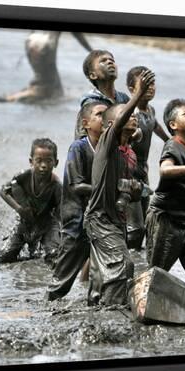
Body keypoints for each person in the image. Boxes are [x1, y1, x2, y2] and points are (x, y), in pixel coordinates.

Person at [84, 69, 155, 306]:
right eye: (128, 114)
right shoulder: (107, 143)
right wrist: (138, 94)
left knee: (103, 268)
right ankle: (112, 309)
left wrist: (137, 189)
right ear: (113, 124)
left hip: (117, 217)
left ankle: (96, 304)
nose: (133, 116)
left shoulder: (129, 153)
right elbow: (118, 123)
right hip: (101, 217)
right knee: (125, 263)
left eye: (134, 114)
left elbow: (125, 187)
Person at [46, 102, 108, 300]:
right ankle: (50, 301)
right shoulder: (78, 147)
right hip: (77, 218)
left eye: (107, 114)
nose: (104, 118)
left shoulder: (108, 147)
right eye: (99, 114)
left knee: (103, 268)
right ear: (86, 123)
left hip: (99, 216)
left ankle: (94, 300)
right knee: (65, 272)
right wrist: (106, 190)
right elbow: (76, 185)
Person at [145, 98, 185, 290]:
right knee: (156, 273)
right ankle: (143, 307)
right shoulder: (172, 145)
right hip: (166, 219)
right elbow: (165, 170)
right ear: (173, 125)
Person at [125, 66, 169, 249]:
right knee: (135, 228)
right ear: (131, 89)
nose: (151, 87)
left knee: (144, 222)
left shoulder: (150, 110)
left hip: (143, 171)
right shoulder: (130, 113)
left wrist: (171, 141)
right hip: (128, 173)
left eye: (152, 83)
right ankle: (121, 253)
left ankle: (137, 258)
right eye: (145, 84)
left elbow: (156, 126)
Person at [0, 138, 62, 264]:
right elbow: (3, 191)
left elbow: (60, 213)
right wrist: (19, 208)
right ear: (31, 162)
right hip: (24, 220)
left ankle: (43, 250)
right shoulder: (23, 177)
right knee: (4, 257)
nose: (43, 165)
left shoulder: (57, 186)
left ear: (56, 162)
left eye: (48, 161)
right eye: (39, 161)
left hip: (47, 224)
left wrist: (59, 235)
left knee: (54, 256)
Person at [0, 31, 92, 103]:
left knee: (43, 77)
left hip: (31, 39)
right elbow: (78, 36)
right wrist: (92, 52)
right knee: (51, 87)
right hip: (46, 43)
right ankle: (23, 95)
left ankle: (24, 93)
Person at [76, 50, 130, 139]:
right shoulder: (90, 102)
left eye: (112, 60)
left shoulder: (124, 98)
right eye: (103, 61)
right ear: (93, 75)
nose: (110, 62)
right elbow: (82, 137)